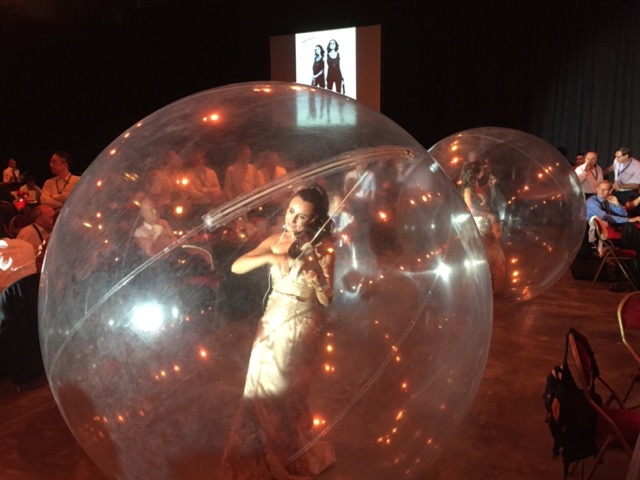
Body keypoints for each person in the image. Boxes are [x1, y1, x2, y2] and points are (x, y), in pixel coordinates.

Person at [220, 185, 337, 479]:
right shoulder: (276, 240)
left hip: (303, 325)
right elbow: (236, 266)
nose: (292, 220)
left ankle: (287, 454)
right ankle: (258, 451)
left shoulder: (323, 248)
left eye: (301, 217)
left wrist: (318, 281)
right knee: (259, 388)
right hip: (272, 322)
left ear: (314, 220)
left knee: (288, 394)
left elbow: (326, 299)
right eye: (291, 212)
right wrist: (270, 258)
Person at [460, 160, 507, 294]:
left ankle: (492, 285)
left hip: (485, 222)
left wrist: (488, 185)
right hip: (478, 223)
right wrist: (487, 215)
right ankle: (481, 286)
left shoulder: (475, 186)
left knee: (492, 251)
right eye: (481, 169)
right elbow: (470, 209)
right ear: (475, 173)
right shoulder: (467, 189)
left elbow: (479, 195)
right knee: (483, 253)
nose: (483, 171)